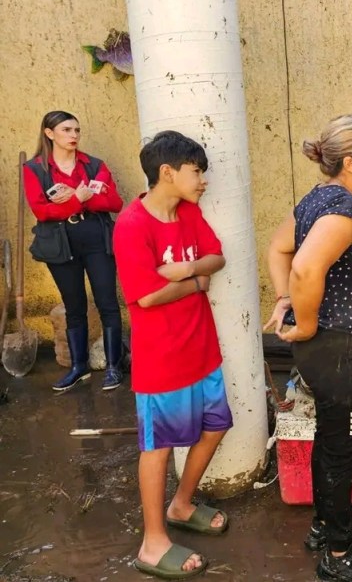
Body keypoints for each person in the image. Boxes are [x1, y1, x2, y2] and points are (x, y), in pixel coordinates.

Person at [264, 115, 352, 582]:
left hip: (330, 351)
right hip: (343, 353)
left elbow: (279, 248)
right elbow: (303, 267)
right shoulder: (342, 210)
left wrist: (286, 301)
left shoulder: (318, 198)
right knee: (343, 449)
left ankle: (324, 524)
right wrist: (304, 321)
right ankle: (339, 555)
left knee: (332, 438)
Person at [114, 131, 232, 580]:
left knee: (215, 427)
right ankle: (152, 543)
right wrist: (197, 283)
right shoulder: (132, 225)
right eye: (196, 171)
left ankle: (181, 505)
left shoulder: (188, 211)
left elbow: (217, 257)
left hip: (202, 347)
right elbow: (145, 296)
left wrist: (187, 271)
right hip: (161, 359)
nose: (203, 180)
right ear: (168, 172)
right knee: (158, 448)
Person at [23, 111, 124, 392]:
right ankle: (79, 367)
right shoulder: (34, 169)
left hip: (96, 239)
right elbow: (42, 211)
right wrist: (78, 199)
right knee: (74, 305)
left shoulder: (94, 165)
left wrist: (83, 200)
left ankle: (114, 366)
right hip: (60, 244)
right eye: (66, 130)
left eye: (77, 130)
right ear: (49, 133)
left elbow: (115, 203)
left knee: (107, 302)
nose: (74, 135)